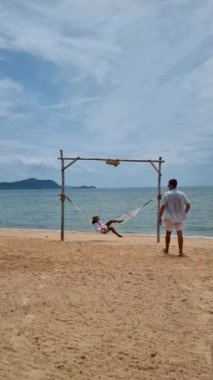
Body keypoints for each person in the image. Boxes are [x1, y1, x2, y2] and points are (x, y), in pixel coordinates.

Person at [158, 178, 191, 257]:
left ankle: (166, 249)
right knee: (180, 234)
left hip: (169, 217)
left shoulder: (166, 194)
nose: (168, 186)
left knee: (168, 233)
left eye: (168, 185)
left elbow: (162, 207)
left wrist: (159, 217)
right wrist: (184, 213)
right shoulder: (182, 194)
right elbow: (188, 205)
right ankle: (180, 252)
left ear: (171, 185)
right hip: (179, 217)